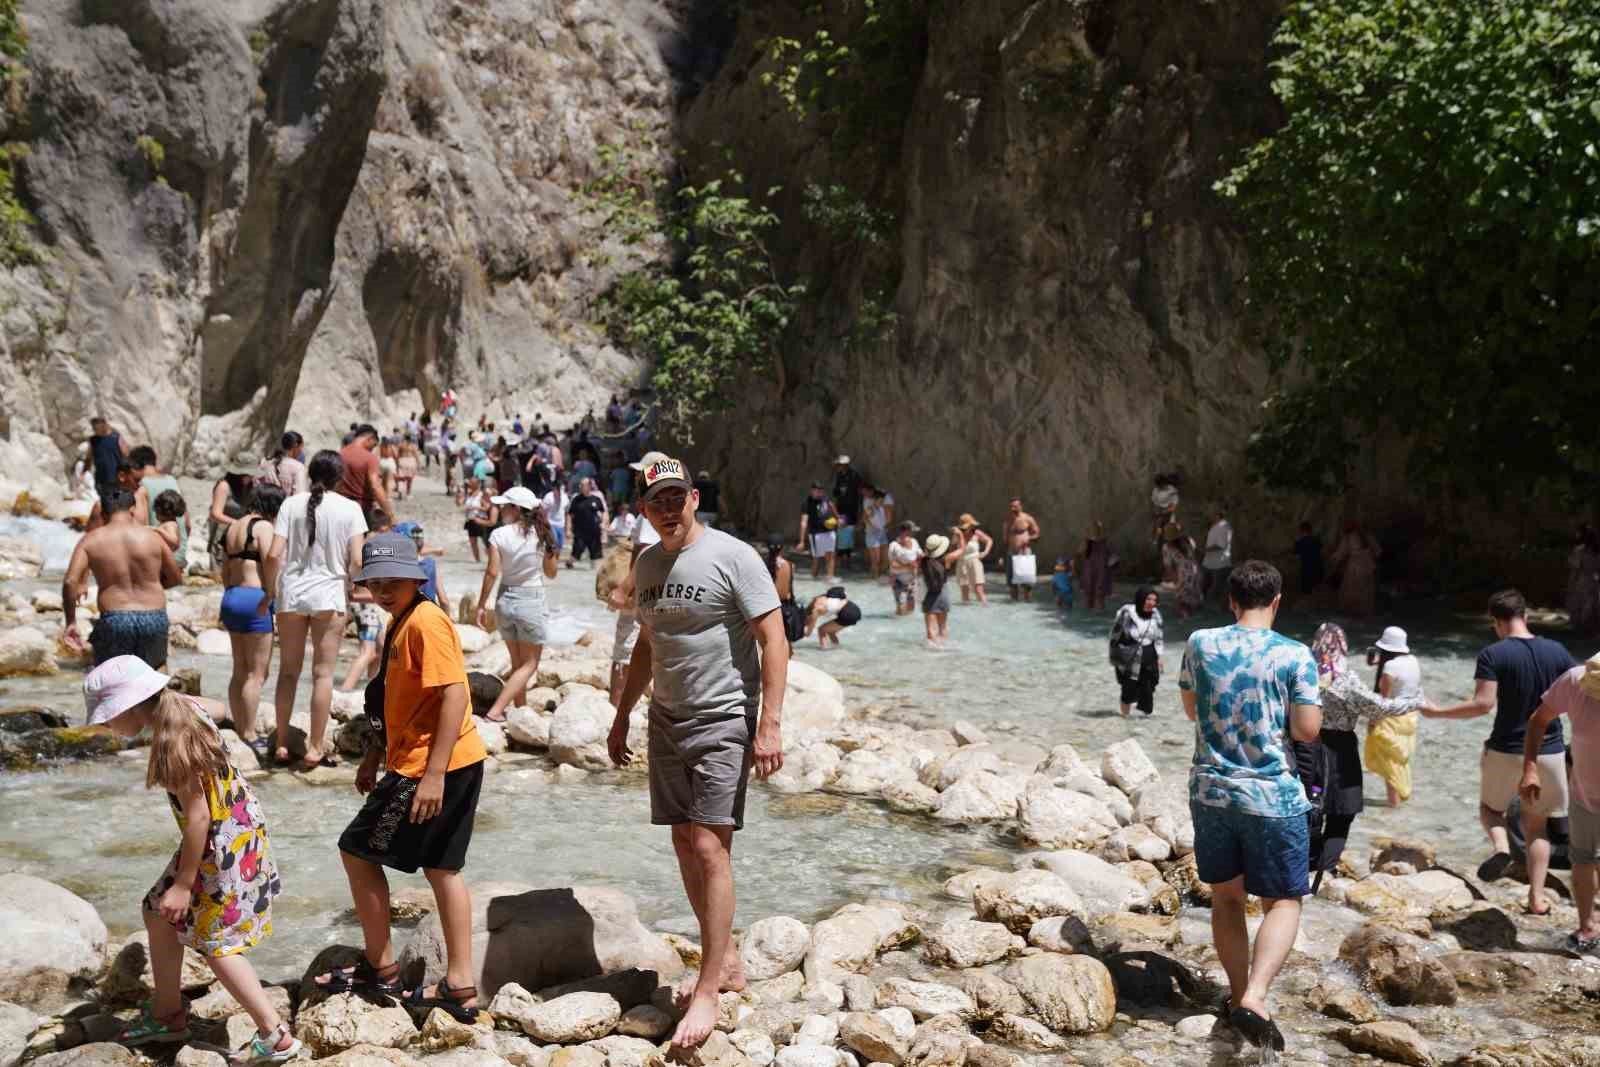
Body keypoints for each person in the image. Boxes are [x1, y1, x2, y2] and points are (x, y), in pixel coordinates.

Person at [607, 455, 789, 1050]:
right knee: (684, 841)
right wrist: (621, 714)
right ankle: (728, 959)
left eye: (675, 497)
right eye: (655, 499)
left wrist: (770, 725)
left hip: (722, 717)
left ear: (693, 498)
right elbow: (645, 645)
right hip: (666, 720)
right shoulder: (648, 562)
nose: (666, 508)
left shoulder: (735, 557)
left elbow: (774, 639)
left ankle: (707, 990)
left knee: (711, 844)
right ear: (644, 508)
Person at [83, 657, 299, 1062]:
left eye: (109, 718)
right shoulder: (185, 708)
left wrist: (184, 885)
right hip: (236, 827)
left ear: (130, 707)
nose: (106, 727)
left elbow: (198, 817)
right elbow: (220, 707)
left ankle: (275, 1035)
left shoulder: (172, 742)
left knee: (216, 943)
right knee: (155, 909)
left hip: (220, 843)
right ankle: (168, 1013)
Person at [311, 532, 487, 1023]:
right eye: (375, 582)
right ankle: (460, 985)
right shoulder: (401, 621)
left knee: (357, 851)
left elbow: (455, 695)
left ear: (417, 578)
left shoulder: (426, 623)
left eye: (394, 581)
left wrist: (431, 776)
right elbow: (391, 698)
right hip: (443, 760)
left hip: (434, 766)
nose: (384, 589)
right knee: (442, 868)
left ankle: (381, 968)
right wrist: (374, 753)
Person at [1178, 560, 1322, 1051]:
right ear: (1277, 601)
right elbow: (1306, 730)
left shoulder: (1200, 643)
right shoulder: (1296, 655)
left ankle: (1238, 994)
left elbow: (1191, 708)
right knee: (1282, 901)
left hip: (1212, 792)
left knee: (1227, 897)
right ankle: (1256, 997)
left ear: (1231, 600)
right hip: (1273, 799)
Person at [1423, 589, 1575, 914]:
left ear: (1496, 622)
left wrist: (1437, 712)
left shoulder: (1494, 654)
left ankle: (1502, 847)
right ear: (1526, 616)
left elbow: (1482, 705)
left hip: (1506, 748)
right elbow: (1575, 699)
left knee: (1491, 811)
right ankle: (1536, 897)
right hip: (1549, 751)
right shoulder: (1558, 651)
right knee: (1538, 826)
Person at [263, 451, 369, 770]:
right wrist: (353, 583)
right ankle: (315, 747)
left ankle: (281, 743)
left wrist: (271, 589)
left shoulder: (290, 504)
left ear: (310, 476)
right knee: (322, 674)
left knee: (288, 672)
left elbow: (272, 555)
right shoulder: (351, 509)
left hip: (292, 595)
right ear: (340, 478)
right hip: (329, 595)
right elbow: (358, 560)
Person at [1309, 623, 1426, 876]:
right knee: (1341, 812)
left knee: (1311, 806)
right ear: (1343, 647)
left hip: (1306, 746)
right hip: (1339, 751)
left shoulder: (1300, 673)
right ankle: (1324, 870)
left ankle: (1305, 862)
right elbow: (1379, 707)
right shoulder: (1345, 680)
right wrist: (1415, 701)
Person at [1520, 651, 1600, 956]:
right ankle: (1586, 926)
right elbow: (1538, 721)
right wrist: (1529, 768)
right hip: (1583, 793)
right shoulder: (1576, 680)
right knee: (1582, 859)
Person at [62, 489, 181, 668]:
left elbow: (70, 581)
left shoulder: (90, 540)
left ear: (103, 513)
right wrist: (150, 584)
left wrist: (71, 621)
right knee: (152, 680)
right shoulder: (153, 538)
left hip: (115, 619)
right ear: (133, 510)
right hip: (154, 617)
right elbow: (175, 578)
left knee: (113, 684)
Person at [476, 487, 560, 722]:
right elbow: (551, 573)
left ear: (516, 509)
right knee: (530, 664)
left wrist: (482, 604)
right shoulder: (542, 533)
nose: (501, 509)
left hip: (505, 600)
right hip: (531, 600)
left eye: (504, 505)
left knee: (517, 663)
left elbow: (492, 572)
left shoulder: (499, 535)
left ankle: (520, 711)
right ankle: (496, 711)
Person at [220, 484, 285, 760]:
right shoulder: (263, 528)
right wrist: (271, 593)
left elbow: (224, 566)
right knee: (258, 673)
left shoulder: (233, 526)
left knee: (239, 668)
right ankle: (249, 734)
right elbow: (271, 560)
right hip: (255, 597)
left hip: (232, 596)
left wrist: (228, 593)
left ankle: (238, 726)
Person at [1364, 626, 1423, 806]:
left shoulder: (1390, 667)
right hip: (1410, 717)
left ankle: (1393, 806)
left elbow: (1384, 700)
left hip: (1392, 720)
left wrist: (1372, 722)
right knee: (1399, 760)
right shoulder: (1413, 660)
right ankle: (1398, 802)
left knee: (1390, 764)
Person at [1110, 587, 1164, 716]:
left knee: (1149, 685)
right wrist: (1115, 656)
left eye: (1154, 600)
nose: (1152, 603)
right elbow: (1115, 635)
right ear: (1141, 599)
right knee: (1128, 686)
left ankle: (1145, 720)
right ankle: (1125, 718)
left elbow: (1159, 636)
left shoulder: (1155, 614)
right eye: (1148, 599)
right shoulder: (1127, 612)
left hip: (1149, 653)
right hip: (1130, 654)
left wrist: (1160, 657)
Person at [129, 447, 185, 564]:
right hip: (179, 556)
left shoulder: (142, 488)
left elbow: (139, 527)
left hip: (160, 559)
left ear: (135, 465)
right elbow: (187, 524)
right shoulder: (173, 481)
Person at [337, 424, 392, 523]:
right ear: (370, 439)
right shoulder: (369, 458)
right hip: (361, 510)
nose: (373, 449)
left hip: (339, 509)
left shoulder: (340, 454)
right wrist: (390, 514)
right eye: (374, 445)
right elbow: (376, 487)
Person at [921, 531, 964, 648]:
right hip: (943, 592)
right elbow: (961, 550)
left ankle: (932, 653)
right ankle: (944, 649)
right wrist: (960, 536)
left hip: (929, 594)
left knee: (930, 629)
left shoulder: (923, 560)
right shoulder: (946, 559)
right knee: (943, 627)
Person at [395, 522, 449, 615]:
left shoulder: (397, 567)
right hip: (429, 614)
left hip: (406, 616)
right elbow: (444, 601)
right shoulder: (431, 564)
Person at [1329, 520, 1380, 617]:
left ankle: (1350, 610)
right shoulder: (1368, 536)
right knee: (1366, 588)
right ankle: (1365, 610)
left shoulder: (1348, 537)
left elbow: (1340, 552)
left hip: (1355, 565)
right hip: (1368, 565)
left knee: (1351, 587)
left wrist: (1332, 559)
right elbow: (1378, 551)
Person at [207, 472, 254, 576]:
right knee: (220, 573)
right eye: (249, 475)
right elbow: (215, 514)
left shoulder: (250, 486)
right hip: (222, 533)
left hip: (241, 534)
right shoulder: (224, 486)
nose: (252, 477)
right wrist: (238, 523)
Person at [765, 536, 805, 647]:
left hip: (764, 610)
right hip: (781, 610)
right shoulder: (785, 565)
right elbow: (782, 594)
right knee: (783, 648)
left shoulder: (762, 563)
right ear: (782, 548)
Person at [796, 483, 840, 580]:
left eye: (821, 490)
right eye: (817, 490)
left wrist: (838, 518)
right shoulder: (807, 503)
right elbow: (804, 522)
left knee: (831, 555)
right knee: (817, 558)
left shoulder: (826, 499)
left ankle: (830, 578)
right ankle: (813, 579)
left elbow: (832, 506)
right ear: (812, 490)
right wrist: (802, 541)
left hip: (830, 532)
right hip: (816, 534)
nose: (819, 492)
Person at [1001, 498, 1041, 602]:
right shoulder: (1007, 520)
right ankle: (1015, 605)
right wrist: (1001, 556)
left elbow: (1037, 534)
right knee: (1012, 582)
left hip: (1024, 553)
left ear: (1020, 506)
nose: (1013, 508)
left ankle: (1027, 603)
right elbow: (1004, 540)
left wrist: (1029, 539)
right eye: (1011, 506)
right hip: (1011, 552)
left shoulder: (1028, 518)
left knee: (1026, 583)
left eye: (1015, 506)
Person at [832, 456, 864, 572]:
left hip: (852, 510)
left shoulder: (855, 476)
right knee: (841, 535)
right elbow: (835, 495)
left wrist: (860, 512)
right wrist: (836, 513)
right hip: (841, 511)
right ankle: (842, 561)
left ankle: (847, 560)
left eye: (841, 465)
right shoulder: (839, 476)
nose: (839, 467)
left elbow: (860, 495)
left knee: (849, 535)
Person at [568, 476, 608, 569]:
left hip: (594, 531)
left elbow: (604, 512)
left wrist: (603, 523)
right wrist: (568, 529)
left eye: (583, 485)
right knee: (576, 552)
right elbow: (570, 515)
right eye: (580, 485)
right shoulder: (576, 499)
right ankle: (569, 562)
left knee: (595, 555)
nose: (580, 486)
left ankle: (594, 571)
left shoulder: (596, 499)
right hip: (580, 531)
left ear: (589, 486)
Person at [88, 415, 129, 501]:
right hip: (100, 479)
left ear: (103, 426)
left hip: (116, 479)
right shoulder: (93, 440)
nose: (94, 430)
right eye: (94, 428)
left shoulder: (116, 437)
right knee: (105, 502)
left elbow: (126, 454)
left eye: (96, 428)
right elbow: (89, 457)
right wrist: (83, 471)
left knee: (116, 501)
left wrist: (127, 473)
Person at [1165, 528, 1203, 619]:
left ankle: (1184, 618)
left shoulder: (1167, 546)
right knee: (1193, 598)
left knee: (1181, 600)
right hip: (1195, 571)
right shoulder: (1189, 540)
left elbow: (1168, 566)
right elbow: (1197, 554)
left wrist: (1175, 581)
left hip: (1183, 573)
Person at [1568, 525, 1600, 635]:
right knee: (1591, 604)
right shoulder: (1597, 551)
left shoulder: (1580, 551)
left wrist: (1571, 583)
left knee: (1580, 604)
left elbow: (1575, 568)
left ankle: (1581, 628)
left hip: (1582, 581)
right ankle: (1590, 628)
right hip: (1594, 581)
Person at [956, 514, 993, 605]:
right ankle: (967, 612)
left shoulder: (976, 533)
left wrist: (985, 552)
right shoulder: (958, 534)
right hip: (961, 562)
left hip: (974, 561)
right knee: (964, 590)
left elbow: (989, 540)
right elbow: (953, 548)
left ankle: (985, 608)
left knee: (978, 589)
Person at [257, 431, 309, 496]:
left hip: (265, 503)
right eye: (301, 446)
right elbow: (300, 495)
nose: (301, 450)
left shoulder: (265, 462)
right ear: (296, 445)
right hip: (286, 505)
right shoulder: (298, 467)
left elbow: (256, 484)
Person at [888, 522, 922, 617]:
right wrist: (909, 566)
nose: (914, 533)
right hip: (898, 579)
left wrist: (917, 564)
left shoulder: (914, 541)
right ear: (906, 531)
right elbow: (892, 564)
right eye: (912, 531)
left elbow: (920, 556)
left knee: (911, 608)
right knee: (901, 609)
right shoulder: (894, 545)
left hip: (912, 580)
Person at [861, 485, 895, 580]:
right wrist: (873, 527)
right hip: (872, 535)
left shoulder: (883, 508)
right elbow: (864, 519)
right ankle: (874, 578)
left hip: (882, 534)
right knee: (876, 560)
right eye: (880, 500)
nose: (882, 502)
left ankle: (878, 577)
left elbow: (887, 520)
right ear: (875, 499)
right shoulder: (870, 508)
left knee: (885, 558)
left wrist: (885, 526)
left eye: (882, 500)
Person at [151, 490, 189, 574]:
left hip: (168, 564)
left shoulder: (170, 525)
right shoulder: (171, 523)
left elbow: (174, 541)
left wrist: (157, 530)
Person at [1202, 509, 1234, 608]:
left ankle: (1219, 608)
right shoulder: (1217, 526)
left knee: (1217, 588)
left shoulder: (1223, 527)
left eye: (1211, 514)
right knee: (1208, 586)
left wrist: (1205, 549)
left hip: (1219, 563)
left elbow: (1220, 545)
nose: (1209, 516)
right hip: (1211, 562)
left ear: (1217, 515)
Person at [461, 481, 497, 563]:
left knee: (485, 541)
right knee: (473, 541)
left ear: (477, 485)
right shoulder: (468, 494)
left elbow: (487, 507)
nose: (470, 484)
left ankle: (492, 559)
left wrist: (475, 507)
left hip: (480, 519)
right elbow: (459, 503)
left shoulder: (481, 495)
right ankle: (477, 560)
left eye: (472, 483)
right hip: (470, 520)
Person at [1081, 521, 1112, 612]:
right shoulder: (1089, 542)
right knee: (1092, 595)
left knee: (1097, 595)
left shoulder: (1104, 542)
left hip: (1097, 571)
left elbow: (1081, 554)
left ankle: (1095, 611)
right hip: (1093, 571)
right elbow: (1081, 553)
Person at [1293, 522, 1324, 596]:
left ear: (1301, 531)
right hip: (1318, 567)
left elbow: (1296, 554)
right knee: (1317, 590)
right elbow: (1321, 550)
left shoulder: (1300, 542)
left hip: (1307, 568)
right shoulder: (1317, 540)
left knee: (1307, 591)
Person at [1150, 473, 1180, 544]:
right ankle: (1158, 540)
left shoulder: (1172, 490)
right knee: (1158, 527)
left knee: (1170, 529)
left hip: (1167, 513)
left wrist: (1163, 511)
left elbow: (1173, 507)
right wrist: (1156, 511)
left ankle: (1170, 541)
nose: (1159, 487)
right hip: (1159, 512)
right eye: (1158, 486)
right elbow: (1154, 502)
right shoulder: (1155, 491)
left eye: (1161, 485)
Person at [542, 479, 570, 555]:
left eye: (559, 490)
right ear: (553, 489)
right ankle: (552, 562)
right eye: (556, 490)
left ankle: (555, 563)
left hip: (561, 524)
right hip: (551, 523)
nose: (557, 492)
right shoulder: (548, 497)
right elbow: (543, 512)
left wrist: (567, 529)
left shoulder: (565, 498)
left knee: (560, 546)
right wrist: (545, 525)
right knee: (554, 544)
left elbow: (567, 514)